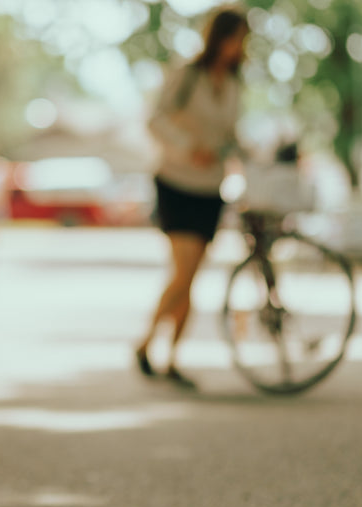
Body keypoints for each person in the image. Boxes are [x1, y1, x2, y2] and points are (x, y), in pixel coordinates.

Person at [135, 7, 248, 390]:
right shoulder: (187, 74)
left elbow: (232, 135)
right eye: (234, 38)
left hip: (210, 189)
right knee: (183, 272)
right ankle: (146, 343)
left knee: (191, 277)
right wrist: (188, 147)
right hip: (176, 182)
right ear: (219, 37)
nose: (238, 47)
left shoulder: (234, 84)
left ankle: (170, 357)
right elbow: (155, 120)